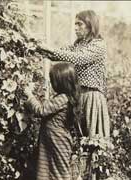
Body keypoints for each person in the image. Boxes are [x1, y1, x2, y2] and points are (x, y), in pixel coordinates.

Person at [38, 10, 110, 139]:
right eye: (75, 24)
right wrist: (39, 49)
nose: (75, 28)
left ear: (90, 25)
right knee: (78, 135)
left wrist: (50, 50)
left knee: (92, 136)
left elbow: (78, 58)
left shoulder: (99, 45)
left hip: (91, 96)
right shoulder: (78, 44)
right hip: (78, 94)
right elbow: (60, 53)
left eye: (79, 24)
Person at [23, 62, 80, 180]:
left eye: (53, 81)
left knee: (59, 170)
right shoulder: (65, 97)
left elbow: (42, 110)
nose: (52, 84)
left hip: (57, 141)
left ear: (61, 83)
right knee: (51, 169)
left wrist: (29, 96)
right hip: (54, 140)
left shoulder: (62, 98)